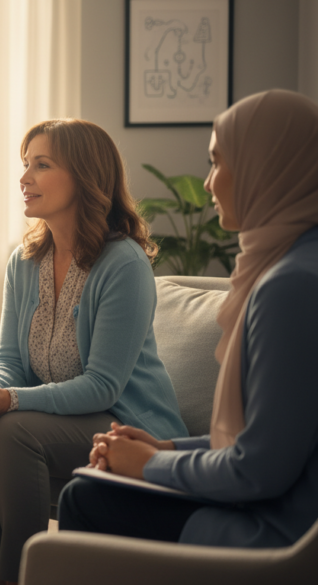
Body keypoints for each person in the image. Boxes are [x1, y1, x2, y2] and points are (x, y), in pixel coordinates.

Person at [0, 119, 188, 585]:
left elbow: (103, 386)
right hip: (66, 419)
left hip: (127, 424)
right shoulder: (25, 260)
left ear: (85, 176)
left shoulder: (122, 263)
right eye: (25, 165)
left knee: (15, 430)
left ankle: (22, 577)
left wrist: (8, 401)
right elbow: (9, 357)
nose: (24, 178)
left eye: (41, 165)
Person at [59, 90, 318, 548]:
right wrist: (166, 448)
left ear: (268, 166)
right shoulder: (293, 265)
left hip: (277, 533)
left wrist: (146, 464)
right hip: (275, 506)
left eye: (219, 162)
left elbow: (258, 470)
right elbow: (270, 441)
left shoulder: (291, 287)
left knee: (85, 498)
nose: (208, 183)